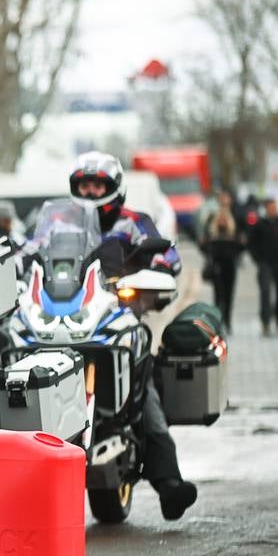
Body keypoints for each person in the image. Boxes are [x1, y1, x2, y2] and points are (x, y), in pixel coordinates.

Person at [68, 151, 197, 520]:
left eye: (97, 184)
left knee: (144, 389)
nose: (90, 191)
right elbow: (27, 249)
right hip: (66, 321)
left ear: (113, 188)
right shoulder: (61, 224)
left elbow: (169, 258)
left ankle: (170, 484)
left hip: (118, 321)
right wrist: (5, 251)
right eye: (83, 184)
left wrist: (151, 268)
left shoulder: (133, 223)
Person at [246, 197, 278, 336]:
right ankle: (265, 322)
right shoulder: (260, 225)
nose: (274, 210)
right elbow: (251, 244)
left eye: (275, 207)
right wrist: (257, 259)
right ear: (266, 209)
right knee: (265, 292)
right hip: (265, 264)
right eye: (271, 208)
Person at [201, 190, 244, 331]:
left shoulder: (235, 218)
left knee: (229, 294)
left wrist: (239, 247)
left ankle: (227, 320)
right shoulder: (212, 218)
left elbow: (241, 242)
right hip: (216, 264)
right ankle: (218, 320)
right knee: (218, 294)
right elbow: (203, 241)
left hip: (230, 263)